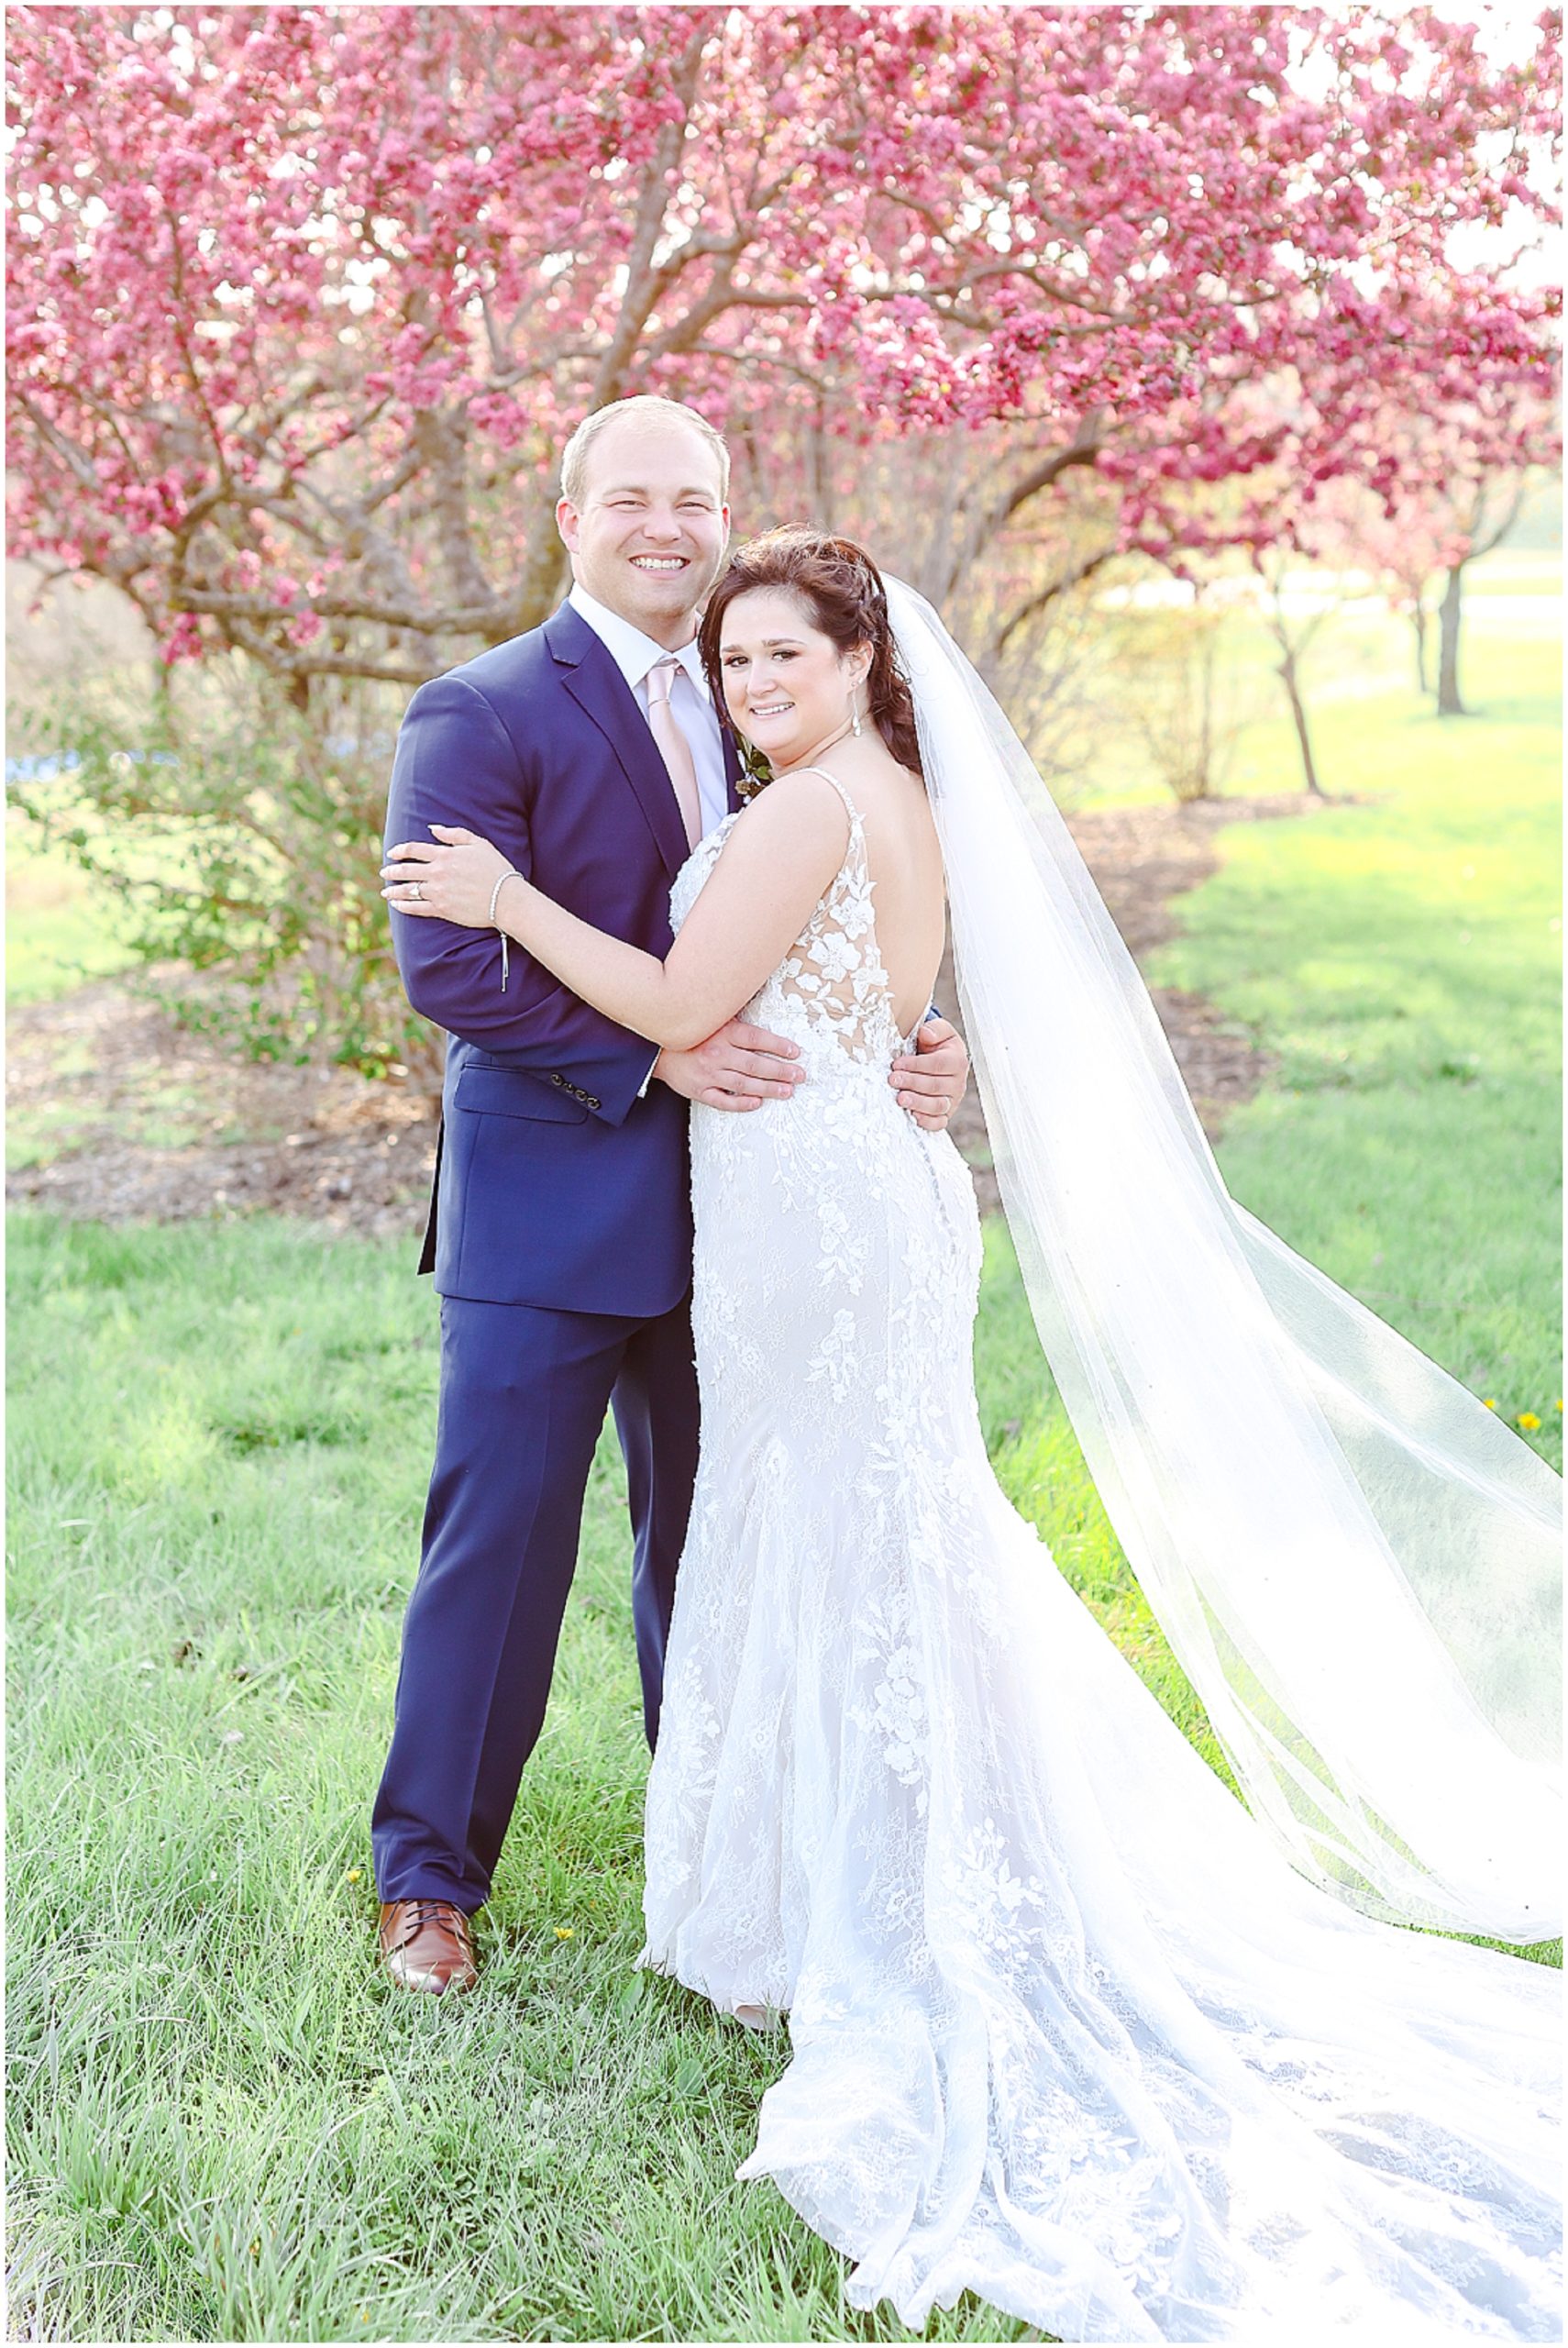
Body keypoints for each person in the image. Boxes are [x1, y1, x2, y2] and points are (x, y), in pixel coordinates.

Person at [383, 528, 1561, 2338]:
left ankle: (860, 1905)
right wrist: (899, 1048)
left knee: (845, 1529)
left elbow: (694, 1007)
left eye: (786, 653)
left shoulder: (804, 808)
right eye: (737, 662)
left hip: (822, 1217)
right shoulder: (892, 796)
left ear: (864, 654)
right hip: (863, 1190)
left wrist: (507, 898)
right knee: (881, 1529)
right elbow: (901, 1011)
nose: (756, 682)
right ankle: (852, 1875)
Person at [370, 404, 971, 1997]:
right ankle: (427, 1882)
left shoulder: (767, 700)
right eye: (629, 497)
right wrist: (663, 1062)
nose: (665, 524)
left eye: (693, 498)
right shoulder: (477, 709)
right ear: (567, 513)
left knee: (721, 1544)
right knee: (498, 1548)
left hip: (761, 1218)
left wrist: (917, 1038)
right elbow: (449, 962)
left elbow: (834, 918)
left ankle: (727, 1855)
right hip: (552, 1212)